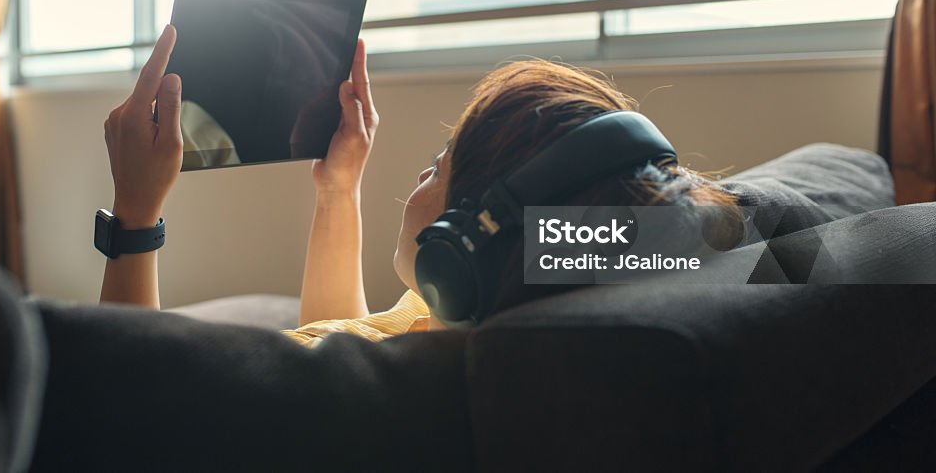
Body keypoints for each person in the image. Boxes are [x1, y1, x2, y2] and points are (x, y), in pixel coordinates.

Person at [99, 25, 741, 345]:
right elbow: (339, 342)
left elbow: (129, 406)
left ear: (463, 243)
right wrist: (338, 189)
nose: (422, 169)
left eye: (442, 163)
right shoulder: (457, 321)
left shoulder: (406, 408)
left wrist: (135, 214)